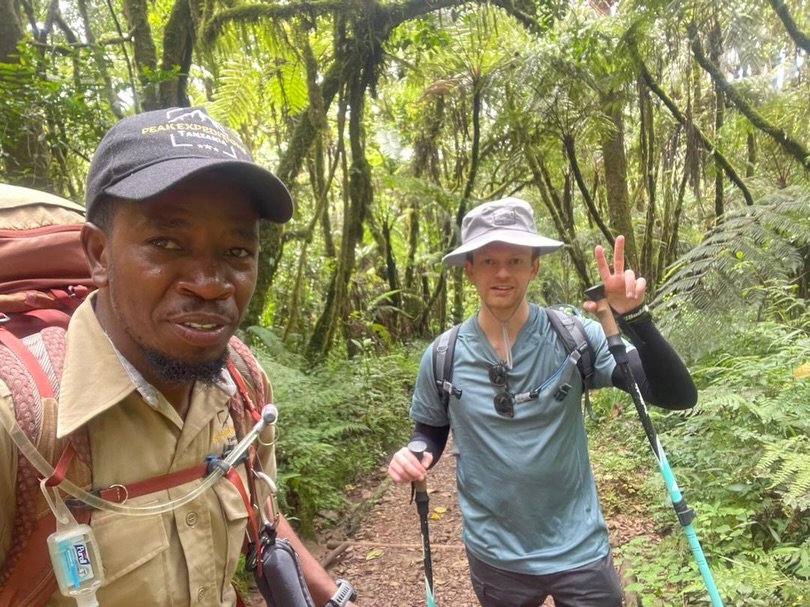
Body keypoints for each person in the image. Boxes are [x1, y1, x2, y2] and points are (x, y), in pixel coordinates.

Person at [0, 107, 356, 606]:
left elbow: (263, 512)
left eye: (236, 251)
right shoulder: (18, 421)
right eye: (166, 243)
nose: (210, 284)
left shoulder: (242, 383)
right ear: (99, 255)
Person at [387, 197, 697, 607]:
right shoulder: (443, 355)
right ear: (469, 270)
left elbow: (675, 395)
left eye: (515, 260)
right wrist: (417, 453)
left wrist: (634, 319)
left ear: (534, 267)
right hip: (496, 553)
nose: (502, 272)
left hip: (579, 548)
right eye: (488, 261)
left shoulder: (575, 336)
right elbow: (430, 429)